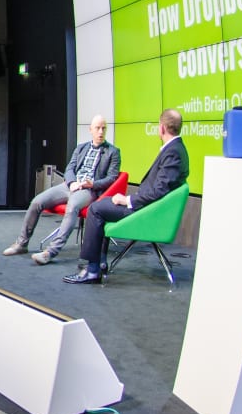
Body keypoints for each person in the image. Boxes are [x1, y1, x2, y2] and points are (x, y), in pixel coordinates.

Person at [66, 109, 189, 285]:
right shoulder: (176, 149)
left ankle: (92, 270)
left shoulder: (174, 152)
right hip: (149, 208)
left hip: (147, 213)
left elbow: (158, 191)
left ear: (161, 128)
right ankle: (99, 262)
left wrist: (128, 200)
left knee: (96, 209)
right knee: (104, 204)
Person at [2, 115, 121, 265]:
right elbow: (70, 168)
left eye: (104, 128)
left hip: (88, 190)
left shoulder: (113, 152)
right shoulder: (81, 148)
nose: (101, 131)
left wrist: (91, 184)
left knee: (72, 207)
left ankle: (50, 252)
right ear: (90, 130)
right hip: (70, 186)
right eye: (97, 128)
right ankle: (21, 244)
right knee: (37, 202)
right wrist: (71, 182)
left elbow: (111, 178)